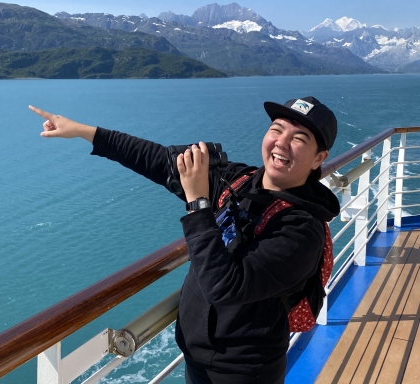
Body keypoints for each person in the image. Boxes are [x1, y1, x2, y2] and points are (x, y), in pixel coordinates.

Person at [29, 96, 340, 384]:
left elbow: (224, 286)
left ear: (318, 158)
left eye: (299, 139)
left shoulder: (302, 229)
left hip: (244, 370)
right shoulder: (238, 179)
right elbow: (157, 159)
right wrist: (85, 131)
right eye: (277, 129)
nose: (281, 142)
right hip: (196, 357)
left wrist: (198, 203)